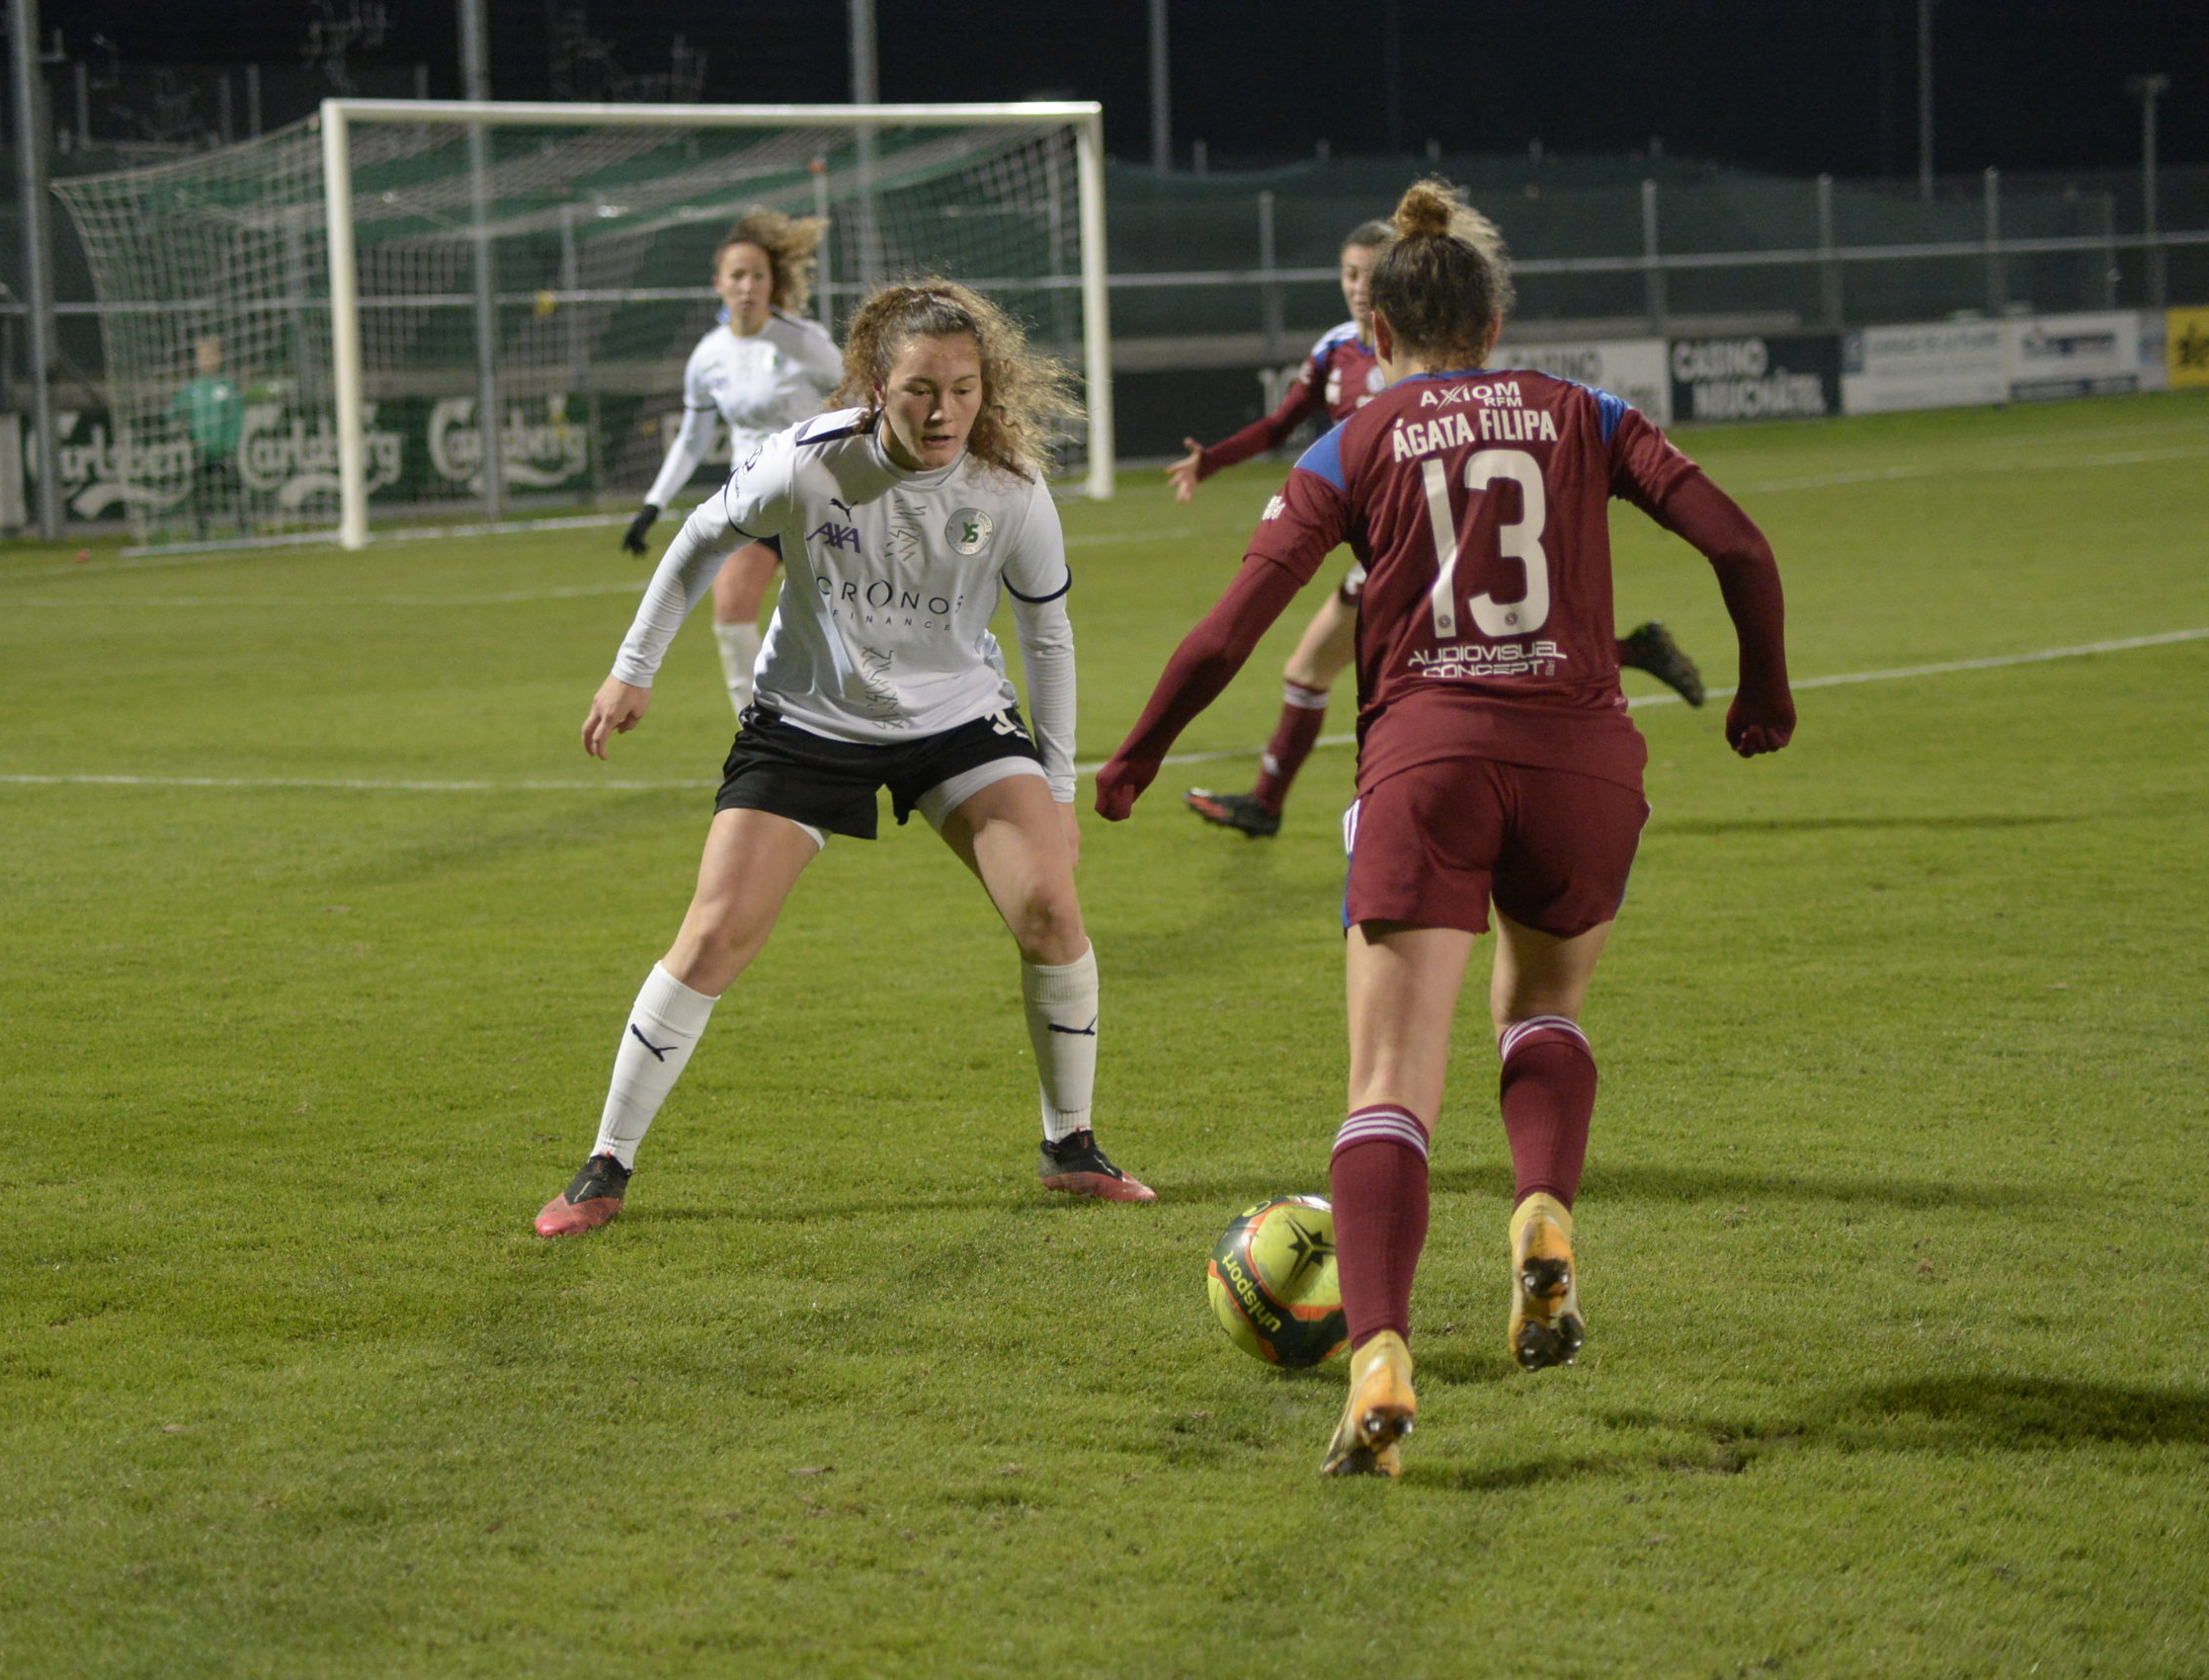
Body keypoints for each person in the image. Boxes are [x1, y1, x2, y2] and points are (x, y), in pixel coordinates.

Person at [1095, 181, 1794, 1476]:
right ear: (1495, 314)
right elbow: (1742, 548)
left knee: (1390, 1085)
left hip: (1429, 764)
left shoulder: (1353, 439)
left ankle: (1380, 1362)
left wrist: (1135, 754)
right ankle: (1541, 1222)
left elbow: (1230, 629)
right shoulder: (1587, 413)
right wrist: (1763, 687)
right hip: (1586, 759)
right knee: (1543, 1014)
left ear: (1380, 317)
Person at [539, 278, 1156, 1239]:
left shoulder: (1010, 492)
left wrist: (1058, 787)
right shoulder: (805, 462)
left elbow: (1048, 639)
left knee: (1049, 906)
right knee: (713, 934)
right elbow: (700, 540)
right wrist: (631, 671)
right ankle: (603, 1166)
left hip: (958, 723)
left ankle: (1069, 1146)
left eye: (962, 387)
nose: (943, 408)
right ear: (872, 382)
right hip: (807, 721)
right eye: (919, 387)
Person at [1163, 223, 1706, 840]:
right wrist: (1213, 460)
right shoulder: (1333, 350)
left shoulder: (1432, 347)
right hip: (1389, 544)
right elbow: (1280, 423)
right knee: (1470, 650)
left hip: (1422, 540)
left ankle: (1324, 800)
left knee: (1361, 667)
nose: (1359, 288)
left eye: (1371, 274)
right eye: (1349, 274)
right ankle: (1627, 658)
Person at [621, 210, 846, 718]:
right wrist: (652, 506)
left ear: (773, 283)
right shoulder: (708, 356)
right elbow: (695, 436)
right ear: (718, 284)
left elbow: (857, 406)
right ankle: (758, 724)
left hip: (820, 500)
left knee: (848, 614)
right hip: (754, 495)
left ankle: (859, 714)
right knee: (730, 611)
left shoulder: (805, 341)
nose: (747, 287)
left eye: (758, 276)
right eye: (737, 276)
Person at [168, 335, 250, 538]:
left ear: (219, 358)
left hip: (224, 449)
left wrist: (232, 442)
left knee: (234, 490)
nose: (207, 361)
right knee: (201, 493)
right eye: (203, 357)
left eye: (211, 356)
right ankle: (201, 532)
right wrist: (179, 425)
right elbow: (173, 411)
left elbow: (236, 416)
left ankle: (243, 530)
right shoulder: (192, 389)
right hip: (201, 449)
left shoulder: (226, 386)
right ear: (197, 360)